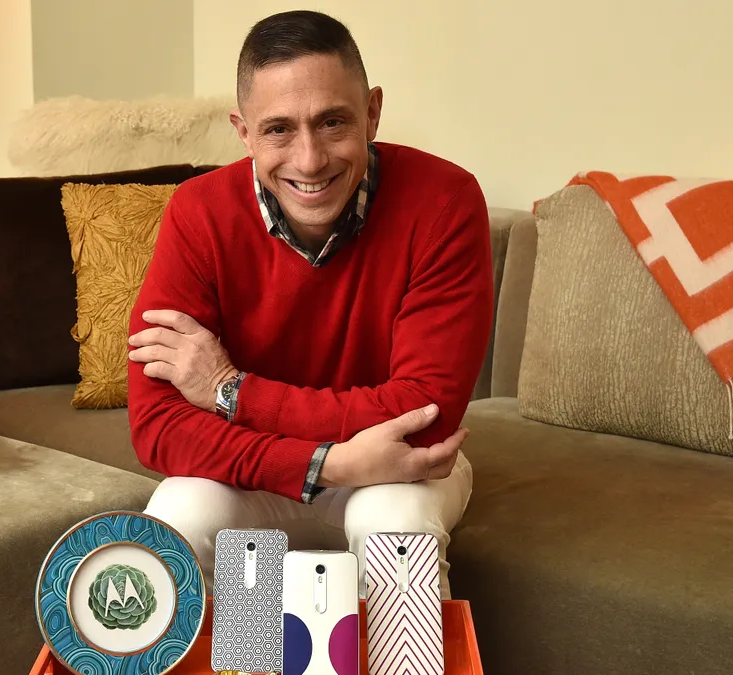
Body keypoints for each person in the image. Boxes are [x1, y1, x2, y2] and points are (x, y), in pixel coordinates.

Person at [126, 9, 493, 599]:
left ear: (372, 112)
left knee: (393, 527)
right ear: (242, 132)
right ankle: (250, 662)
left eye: (332, 122)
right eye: (277, 129)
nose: (310, 159)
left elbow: (424, 411)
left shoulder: (444, 201)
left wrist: (231, 391)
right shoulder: (198, 214)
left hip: (397, 471)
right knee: (180, 511)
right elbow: (158, 424)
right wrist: (329, 465)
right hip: (278, 469)